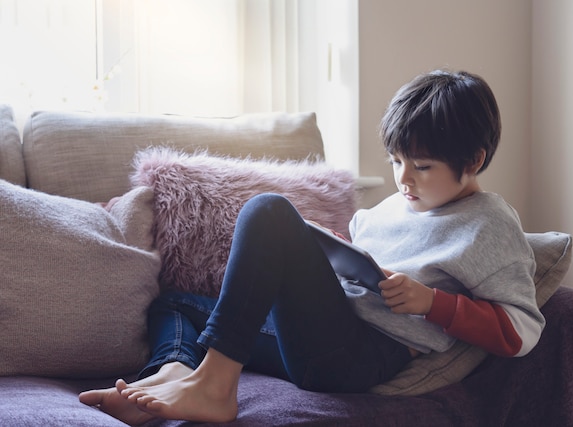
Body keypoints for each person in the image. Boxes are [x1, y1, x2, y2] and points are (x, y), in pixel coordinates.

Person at [79, 69, 545, 425]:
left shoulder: (489, 224)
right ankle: (171, 375)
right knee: (174, 303)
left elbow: (520, 331)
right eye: (396, 161)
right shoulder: (386, 210)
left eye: (421, 166)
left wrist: (434, 303)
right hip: (317, 337)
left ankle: (216, 386)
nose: (403, 178)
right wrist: (334, 254)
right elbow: (353, 280)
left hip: (361, 355)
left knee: (267, 210)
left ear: (474, 161)